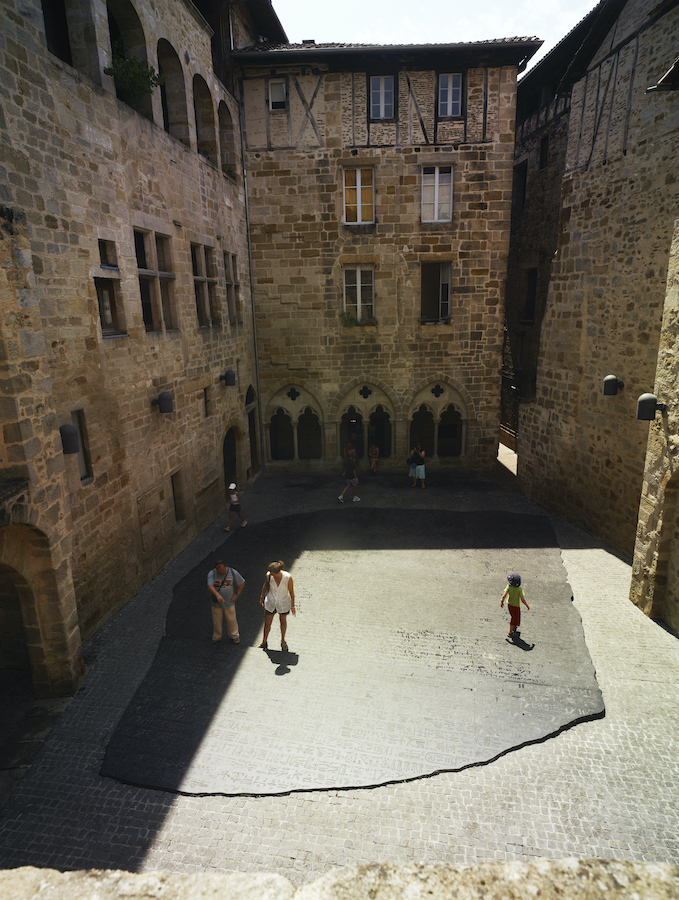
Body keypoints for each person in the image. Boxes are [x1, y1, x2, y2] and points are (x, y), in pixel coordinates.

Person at [259, 560, 296, 651]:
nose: (271, 575)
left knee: (283, 621)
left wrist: (292, 605)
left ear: (277, 572)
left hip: (283, 602)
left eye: (272, 573)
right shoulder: (268, 576)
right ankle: (264, 641)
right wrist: (262, 597)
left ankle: (283, 640)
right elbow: (265, 585)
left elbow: (291, 591)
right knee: (267, 623)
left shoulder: (287, 577)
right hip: (271, 602)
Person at [208, 559, 245, 643]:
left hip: (229, 601)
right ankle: (217, 637)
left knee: (231, 619)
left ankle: (234, 635)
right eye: (219, 572)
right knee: (216, 620)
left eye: (222, 571)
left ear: (225, 566)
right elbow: (210, 586)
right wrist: (217, 595)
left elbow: (242, 582)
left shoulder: (232, 572)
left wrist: (237, 594)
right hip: (216, 603)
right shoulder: (212, 573)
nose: (221, 573)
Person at [501, 572, 530, 639]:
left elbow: (504, 595)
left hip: (509, 605)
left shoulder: (509, 587)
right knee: (514, 619)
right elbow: (522, 599)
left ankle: (514, 627)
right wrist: (527, 605)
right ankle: (510, 632)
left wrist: (502, 601)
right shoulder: (519, 590)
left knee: (513, 616)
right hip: (516, 606)